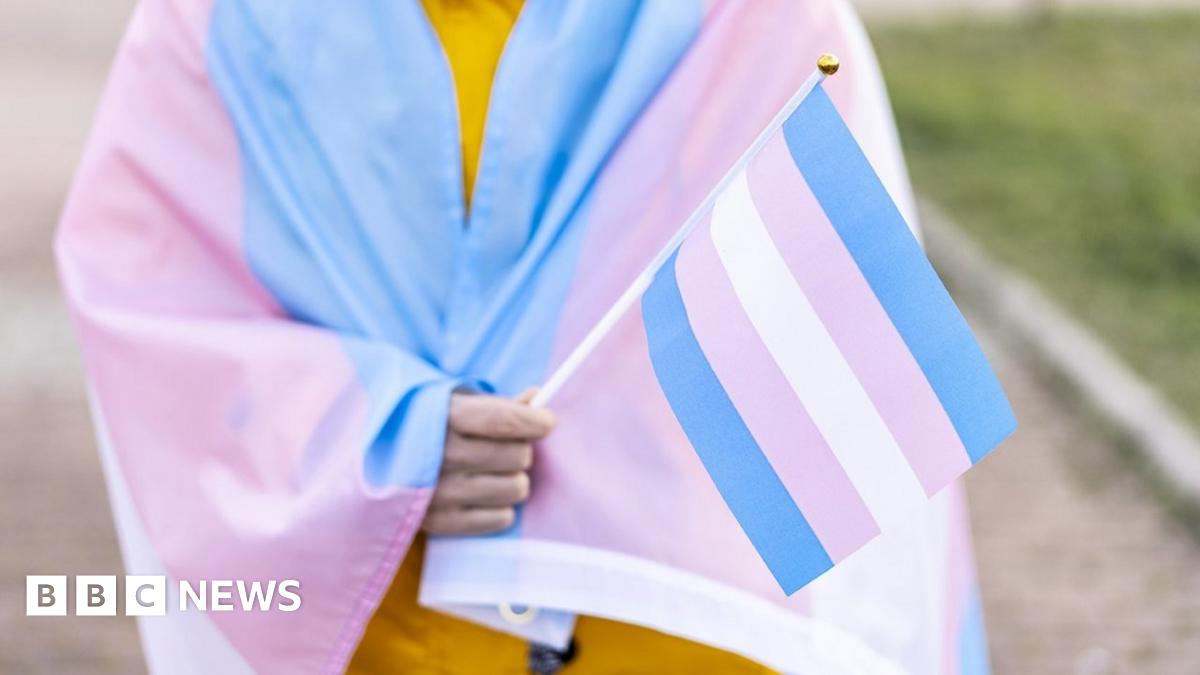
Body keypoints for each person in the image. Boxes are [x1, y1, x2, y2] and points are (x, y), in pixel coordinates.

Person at [57, 0, 988, 673]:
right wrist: (378, 435)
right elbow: (151, 306)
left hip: (663, 635)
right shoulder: (221, 23)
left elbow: (830, 347)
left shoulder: (755, 22)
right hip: (383, 633)